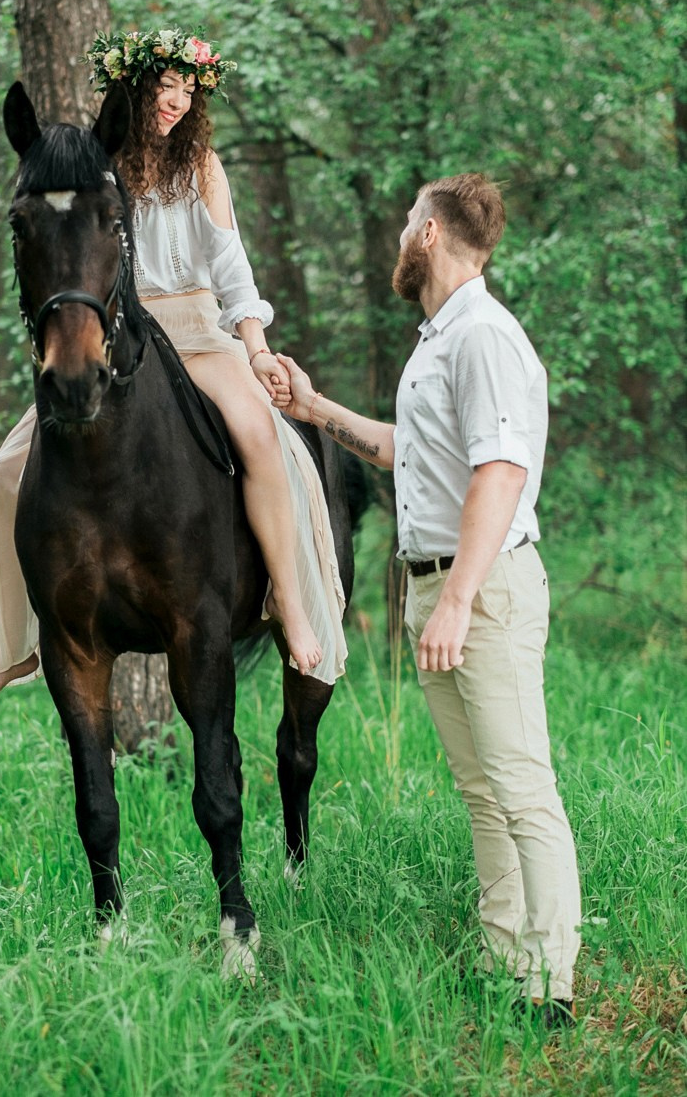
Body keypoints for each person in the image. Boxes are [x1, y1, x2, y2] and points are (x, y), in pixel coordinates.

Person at [0, 27, 347, 714]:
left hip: (200, 334)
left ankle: (289, 600)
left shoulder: (201, 166)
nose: (174, 101)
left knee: (260, 438)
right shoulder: (100, 169)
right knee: (2, 473)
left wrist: (254, 347)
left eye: (186, 90)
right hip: (125, 338)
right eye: (164, 87)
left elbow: (231, 268)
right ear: (137, 90)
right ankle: (12, 644)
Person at [276, 173, 581, 1028]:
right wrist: (311, 408)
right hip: (438, 587)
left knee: (521, 788)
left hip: (480, 592)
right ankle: (501, 955)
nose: (399, 235)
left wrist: (457, 600)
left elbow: (500, 473)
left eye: (409, 220)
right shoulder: (441, 339)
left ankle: (550, 985)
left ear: (431, 235)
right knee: (481, 791)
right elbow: (406, 451)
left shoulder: (482, 335)